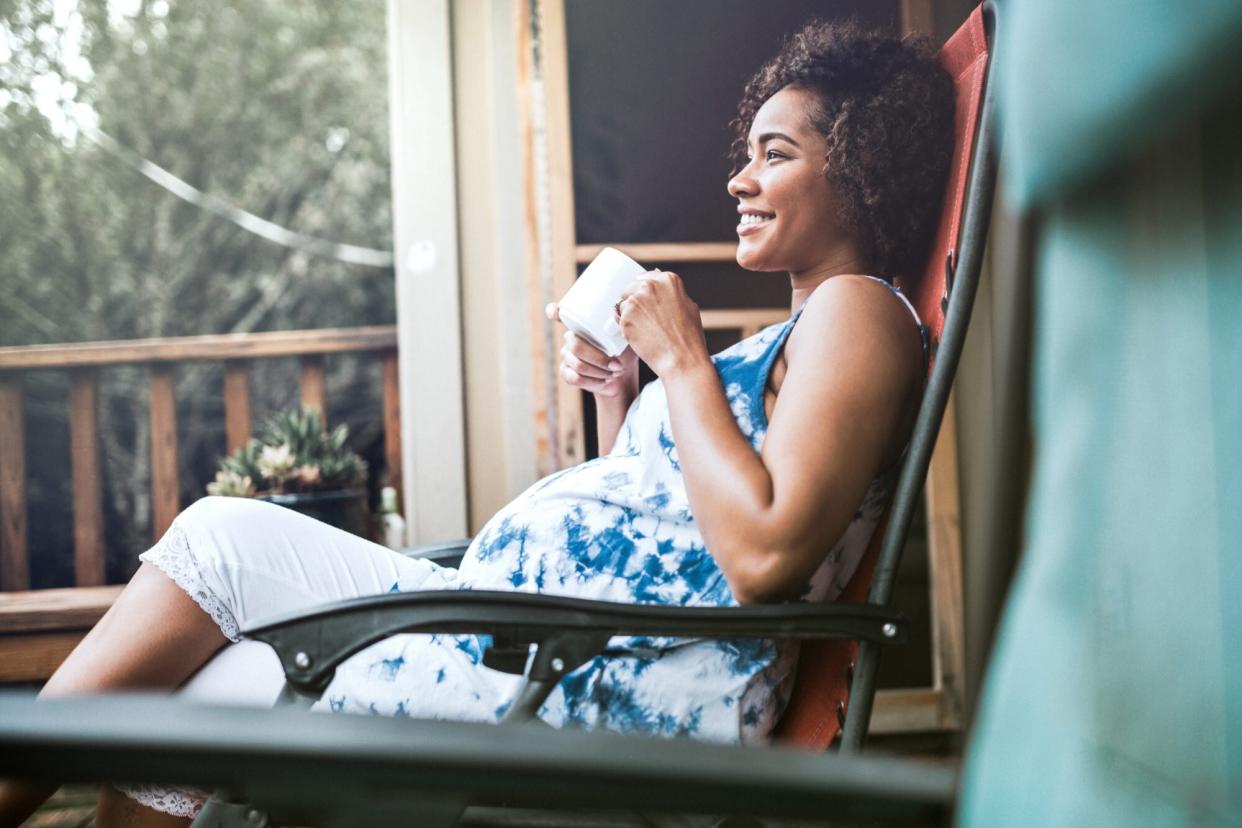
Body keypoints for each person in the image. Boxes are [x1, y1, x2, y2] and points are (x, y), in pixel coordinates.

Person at [0, 19, 954, 827]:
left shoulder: (860, 312)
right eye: (745, 154)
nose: (741, 180)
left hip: (592, 691)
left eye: (775, 155)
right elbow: (680, 529)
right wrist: (628, 393)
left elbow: (766, 557)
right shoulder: (805, 328)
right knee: (208, 600)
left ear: (862, 168)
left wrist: (684, 363)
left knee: (208, 623)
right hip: (528, 641)